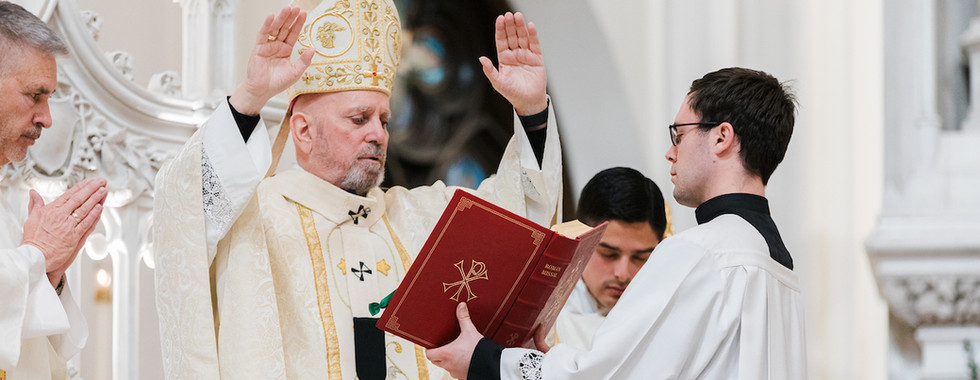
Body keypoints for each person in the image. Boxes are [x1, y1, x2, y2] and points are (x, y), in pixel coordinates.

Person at [153, 1, 562, 379]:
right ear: (303, 130)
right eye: (358, 118)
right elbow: (182, 210)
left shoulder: (421, 217)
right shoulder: (254, 217)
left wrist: (531, 113)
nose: (378, 134)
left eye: (383, 120)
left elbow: (521, 218)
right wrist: (250, 98)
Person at [428, 67, 807, 379]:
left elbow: (600, 377)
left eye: (680, 134)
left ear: (722, 137)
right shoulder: (778, 267)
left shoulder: (702, 253)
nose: (670, 152)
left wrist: (485, 360)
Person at [0, 2, 107, 379]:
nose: (47, 118)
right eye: (35, 95)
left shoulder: (9, 204)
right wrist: (37, 256)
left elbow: (39, 351)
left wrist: (49, 278)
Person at [552, 167, 668, 350]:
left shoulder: (668, 318)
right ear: (579, 239)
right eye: (609, 254)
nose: (622, 274)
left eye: (641, 257)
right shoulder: (546, 318)